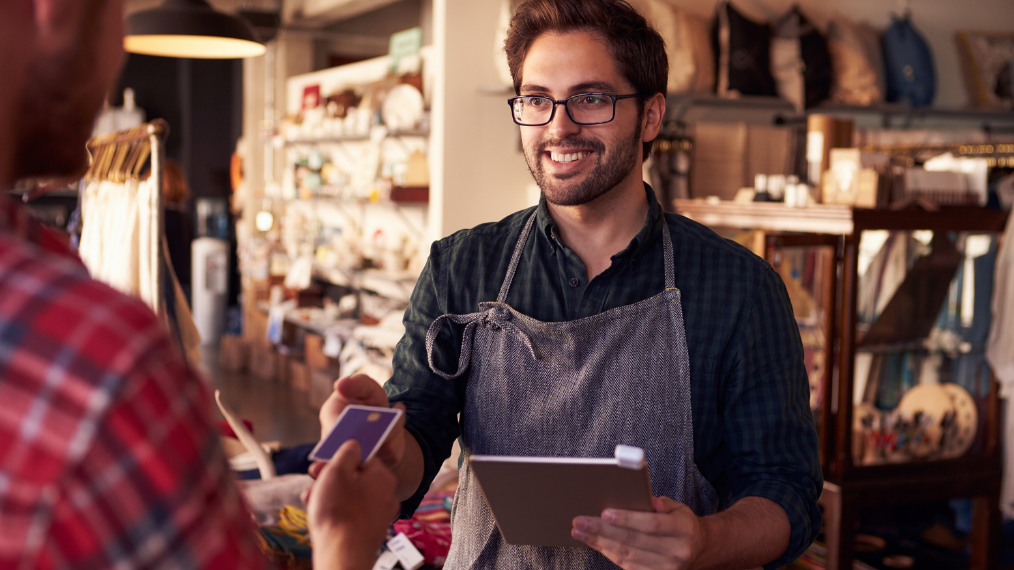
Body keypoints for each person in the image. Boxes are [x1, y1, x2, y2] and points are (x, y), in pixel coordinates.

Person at [318, 0, 823, 569]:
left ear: (651, 116)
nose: (558, 125)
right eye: (536, 99)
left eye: (590, 98)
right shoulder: (461, 267)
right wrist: (383, 443)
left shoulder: (739, 288)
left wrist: (707, 541)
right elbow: (421, 443)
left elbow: (787, 492)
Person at [0, 1, 396, 568]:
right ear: (55, 10)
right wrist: (343, 539)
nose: (117, 55)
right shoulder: (95, 357)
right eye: (117, 13)